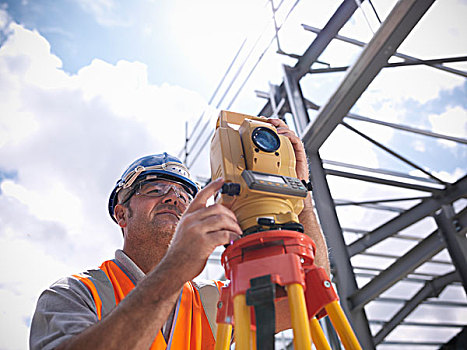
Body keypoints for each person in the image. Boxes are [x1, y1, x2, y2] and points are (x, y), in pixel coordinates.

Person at [29, 118, 330, 350]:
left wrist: (299, 194)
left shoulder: (214, 301)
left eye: (184, 195)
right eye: (155, 189)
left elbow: (309, 296)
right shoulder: (76, 294)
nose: (173, 198)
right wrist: (176, 269)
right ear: (121, 213)